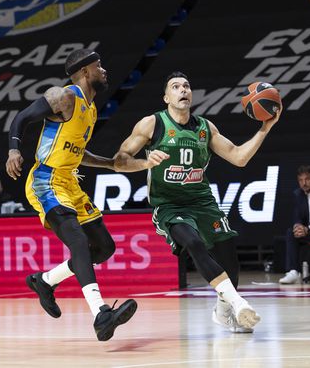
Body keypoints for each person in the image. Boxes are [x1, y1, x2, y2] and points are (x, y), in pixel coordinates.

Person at [112, 71, 281, 333]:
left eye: (187, 86)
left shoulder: (205, 128)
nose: (183, 90)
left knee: (229, 257)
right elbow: (119, 161)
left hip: (202, 202)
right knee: (193, 242)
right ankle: (238, 303)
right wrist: (145, 162)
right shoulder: (151, 124)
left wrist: (264, 128)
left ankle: (223, 312)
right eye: (176, 86)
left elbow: (239, 157)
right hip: (169, 205)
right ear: (166, 97)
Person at [5, 49, 137, 341]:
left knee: (104, 247)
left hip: (70, 182)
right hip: (46, 180)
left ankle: (45, 281)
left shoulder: (91, 109)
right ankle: (101, 314)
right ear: (85, 71)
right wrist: (14, 150)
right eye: (99, 66)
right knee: (78, 241)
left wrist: (110, 163)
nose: (104, 70)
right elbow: (22, 118)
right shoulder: (64, 96)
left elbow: (77, 152)